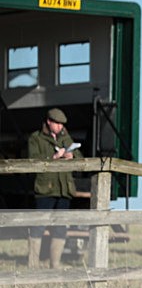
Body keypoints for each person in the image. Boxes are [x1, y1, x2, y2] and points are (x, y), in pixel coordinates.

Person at [26, 107, 82, 268]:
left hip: (64, 189)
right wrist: (53, 158)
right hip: (45, 189)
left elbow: (80, 156)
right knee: (38, 226)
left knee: (60, 227)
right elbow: (32, 159)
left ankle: (55, 265)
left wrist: (72, 156)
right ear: (49, 122)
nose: (60, 127)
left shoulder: (66, 138)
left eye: (62, 124)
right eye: (57, 123)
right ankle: (33, 264)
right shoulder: (36, 138)